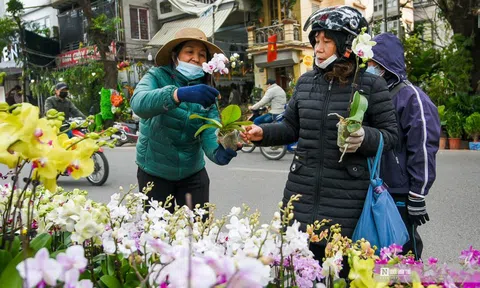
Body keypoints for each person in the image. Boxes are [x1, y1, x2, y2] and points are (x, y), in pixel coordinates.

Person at [241, 6, 398, 263]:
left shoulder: (370, 84)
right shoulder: (305, 83)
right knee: (301, 268)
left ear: (347, 44)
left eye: (327, 41)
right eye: (316, 41)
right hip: (300, 194)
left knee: (340, 271)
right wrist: (263, 132)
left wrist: (364, 137)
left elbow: (391, 135)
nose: (318, 48)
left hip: (347, 200)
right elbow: (291, 127)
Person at [130, 28, 238, 211]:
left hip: (192, 172)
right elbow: (138, 104)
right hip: (154, 171)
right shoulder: (156, 76)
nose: (196, 58)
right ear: (175, 55)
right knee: (158, 234)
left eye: (202, 54)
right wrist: (177, 94)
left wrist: (219, 153)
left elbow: (209, 130)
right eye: (189, 52)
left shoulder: (205, 89)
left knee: (198, 232)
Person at [367, 32, 441, 259]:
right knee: (375, 252)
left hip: (399, 191)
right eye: (368, 63)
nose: (369, 68)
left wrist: (417, 195)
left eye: (373, 63)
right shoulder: (376, 95)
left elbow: (423, 148)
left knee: (402, 253)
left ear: (385, 65)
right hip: (374, 186)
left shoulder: (411, 98)